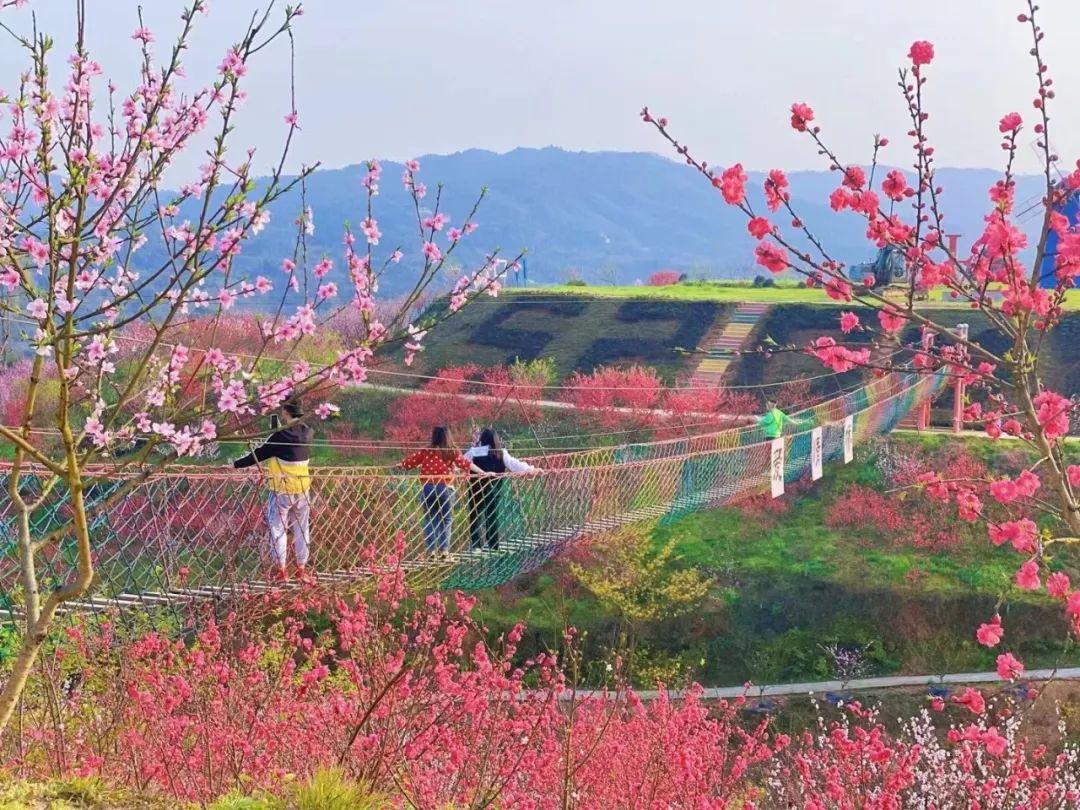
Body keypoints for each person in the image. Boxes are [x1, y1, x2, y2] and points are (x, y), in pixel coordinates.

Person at [233, 398, 315, 584]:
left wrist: (235, 465)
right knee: (302, 529)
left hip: (281, 490)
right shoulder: (308, 433)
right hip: (303, 489)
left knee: (278, 529)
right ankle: (301, 569)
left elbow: (258, 455)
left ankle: (282, 571)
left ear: (285, 412)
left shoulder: (279, 437)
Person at [399, 427, 487, 558]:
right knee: (446, 519)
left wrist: (400, 465)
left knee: (431, 519)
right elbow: (466, 464)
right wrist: (484, 473)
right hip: (445, 488)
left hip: (428, 488)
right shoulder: (451, 451)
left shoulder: (426, 451)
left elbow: (409, 462)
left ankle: (431, 551)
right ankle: (444, 550)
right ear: (448, 437)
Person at [464, 427, 537, 550]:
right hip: (494, 489)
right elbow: (514, 464)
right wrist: (530, 469)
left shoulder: (474, 452)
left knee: (475, 515)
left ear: (482, 439)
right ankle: (493, 544)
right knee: (492, 515)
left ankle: (476, 544)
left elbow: (462, 462)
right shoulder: (501, 453)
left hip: (476, 488)